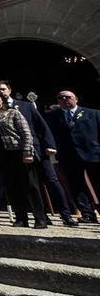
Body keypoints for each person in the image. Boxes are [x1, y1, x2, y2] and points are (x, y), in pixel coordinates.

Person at [0, 81, 76, 226]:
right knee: (30, 184)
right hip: (16, 152)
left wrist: (49, 145)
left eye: (3, 89)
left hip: (36, 149)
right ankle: (41, 215)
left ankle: (66, 215)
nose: (0, 92)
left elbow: (41, 126)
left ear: (9, 90)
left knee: (51, 180)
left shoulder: (26, 106)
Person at [0, 90, 48, 229]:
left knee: (30, 185)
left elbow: (26, 133)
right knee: (11, 186)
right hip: (0, 154)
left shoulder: (13, 113)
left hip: (18, 151)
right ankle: (21, 217)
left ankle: (40, 218)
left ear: (1, 99)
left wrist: (27, 152)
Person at [46, 90, 100, 224]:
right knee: (76, 186)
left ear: (76, 99)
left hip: (93, 154)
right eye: (61, 98)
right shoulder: (52, 117)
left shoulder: (93, 113)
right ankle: (87, 213)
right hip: (69, 155)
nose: (65, 99)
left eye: (68, 97)